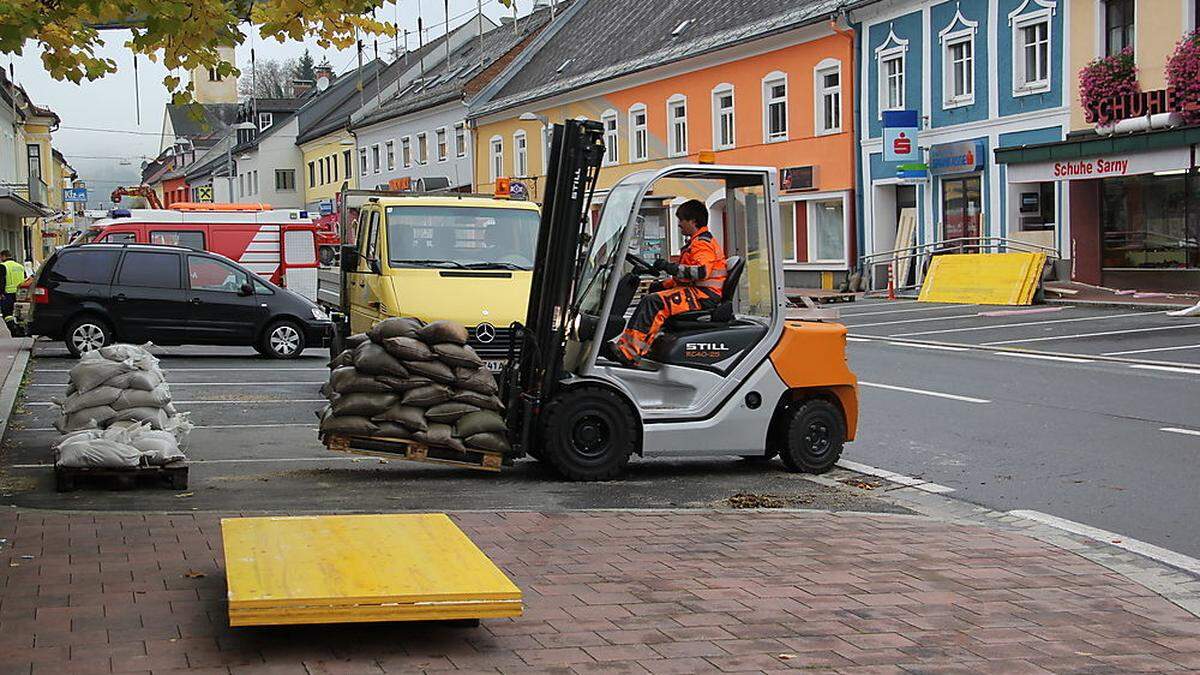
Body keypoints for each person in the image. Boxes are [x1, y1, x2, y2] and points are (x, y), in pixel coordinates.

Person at [604, 200, 727, 366]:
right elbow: (684, 279)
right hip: (697, 292)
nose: (679, 225)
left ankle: (629, 352)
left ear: (693, 221)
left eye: (681, 220)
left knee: (654, 302)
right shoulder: (696, 242)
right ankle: (633, 349)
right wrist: (662, 285)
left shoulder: (702, 244)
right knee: (652, 296)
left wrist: (669, 267)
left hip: (703, 296)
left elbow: (700, 273)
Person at [1, 250, 28, 336]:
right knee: (19, 313)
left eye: (1, 257)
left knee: (7, 313)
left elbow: (1, 281)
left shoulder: (3, 266)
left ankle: (14, 330)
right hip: (20, 294)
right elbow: (25, 279)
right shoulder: (20, 266)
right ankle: (22, 331)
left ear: (4, 256)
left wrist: (0, 293)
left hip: (7, 294)